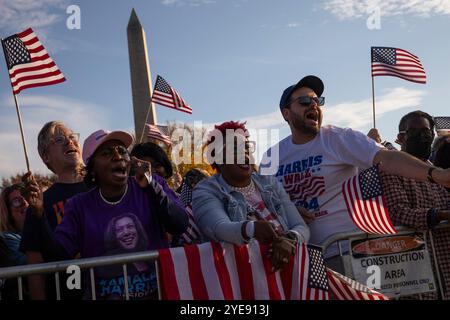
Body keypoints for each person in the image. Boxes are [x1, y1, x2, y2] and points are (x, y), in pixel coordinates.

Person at [260, 75, 450, 272]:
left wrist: (437, 174)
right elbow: (260, 203)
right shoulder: (272, 156)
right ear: (286, 113)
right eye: (305, 101)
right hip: (301, 259)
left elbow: (387, 158)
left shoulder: (337, 138)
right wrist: (286, 212)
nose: (314, 105)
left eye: (318, 100)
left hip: (347, 252)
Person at [23, 129, 188, 300]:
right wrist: (39, 215)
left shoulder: (152, 185)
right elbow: (58, 256)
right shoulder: (79, 206)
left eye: (122, 151)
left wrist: (152, 187)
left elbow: (179, 225)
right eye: (106, 153)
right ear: (92, 169)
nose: (118, 157)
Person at [193, 121, 310, 271]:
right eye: (235, 149)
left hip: (291, 271)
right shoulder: (206, 190)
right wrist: (251, 228)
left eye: (246, 147)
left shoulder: (270, 183)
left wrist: (290, 239)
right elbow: (218, 227)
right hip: (242, 278)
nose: (244, 154)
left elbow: (301, 227)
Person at [380, 111, 450, 300]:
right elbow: (398, 212)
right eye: (413, 132)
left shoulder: (440, 172)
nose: (422, 137)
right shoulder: (391, 169)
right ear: (401, 137)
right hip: (415, 270)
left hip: (444, 257)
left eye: (426, 132)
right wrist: (443, 216)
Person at [20, 121, 88, 300]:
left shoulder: (101, 187)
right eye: (59, 139)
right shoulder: (39, 204)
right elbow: (35, 268)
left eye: (72, 137)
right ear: (46, 156)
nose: (69, 142)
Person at [0, 184, 29, 299]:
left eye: (26, 197)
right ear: (8, 213)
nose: (24, 203)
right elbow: (29, 263)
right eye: (17, 201)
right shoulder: (7, 239)